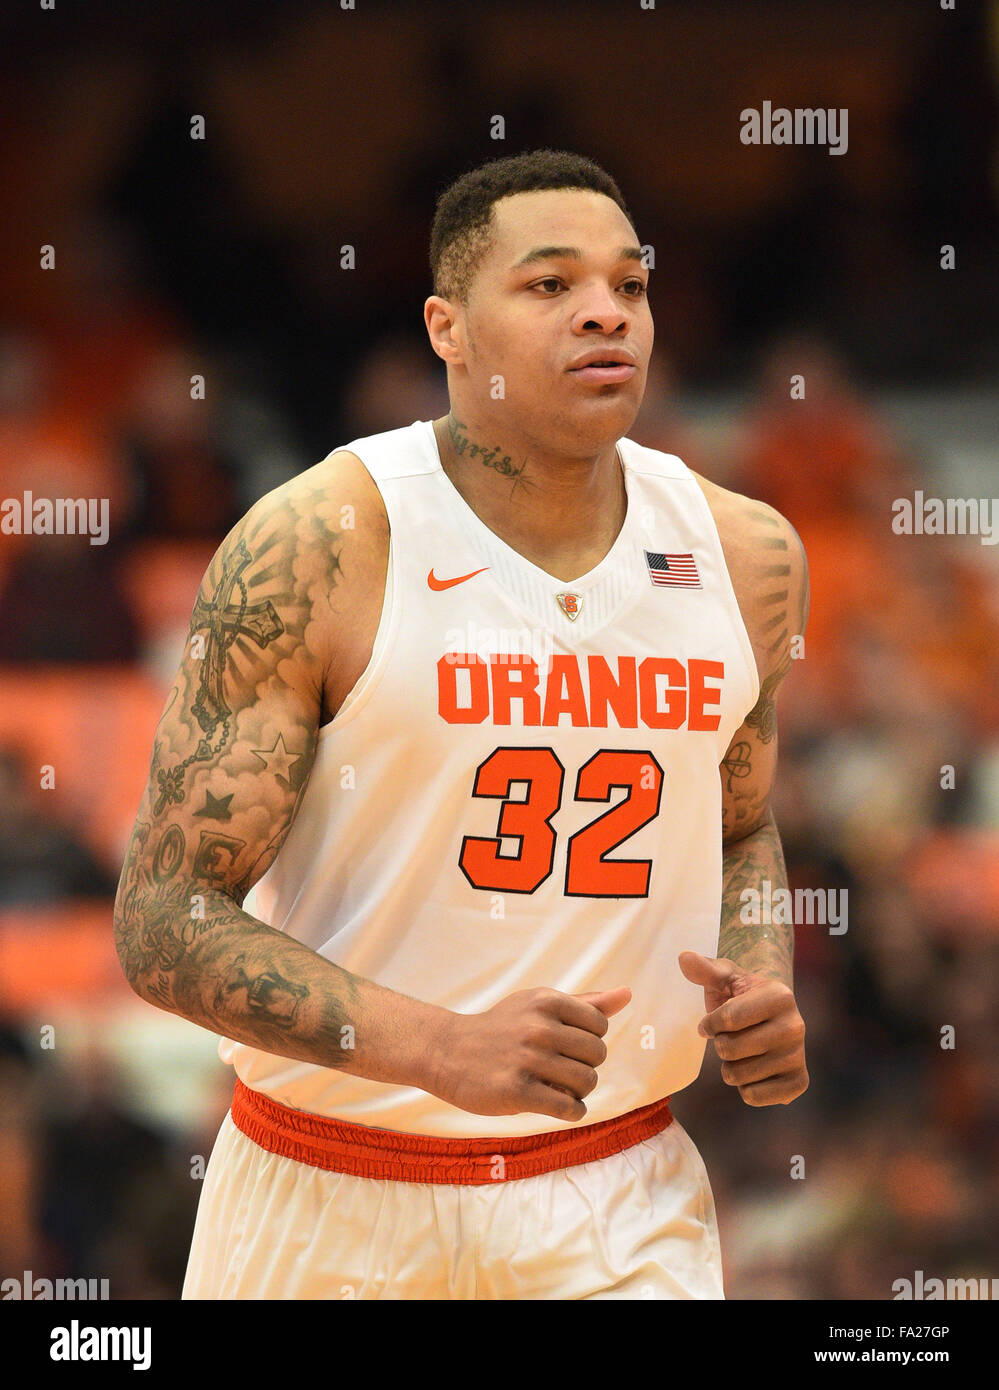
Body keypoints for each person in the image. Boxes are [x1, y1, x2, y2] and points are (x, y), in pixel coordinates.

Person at [113, 148, 809, 1300]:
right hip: (326, 1192)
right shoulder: (324, 542)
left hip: (614, 1192)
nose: (606, 312)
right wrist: (440, 1047)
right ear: (448, 327)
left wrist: (758, 971)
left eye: (629, 285)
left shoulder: (745, 553)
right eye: (550, 285)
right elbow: (163, 915)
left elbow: (741, 829)